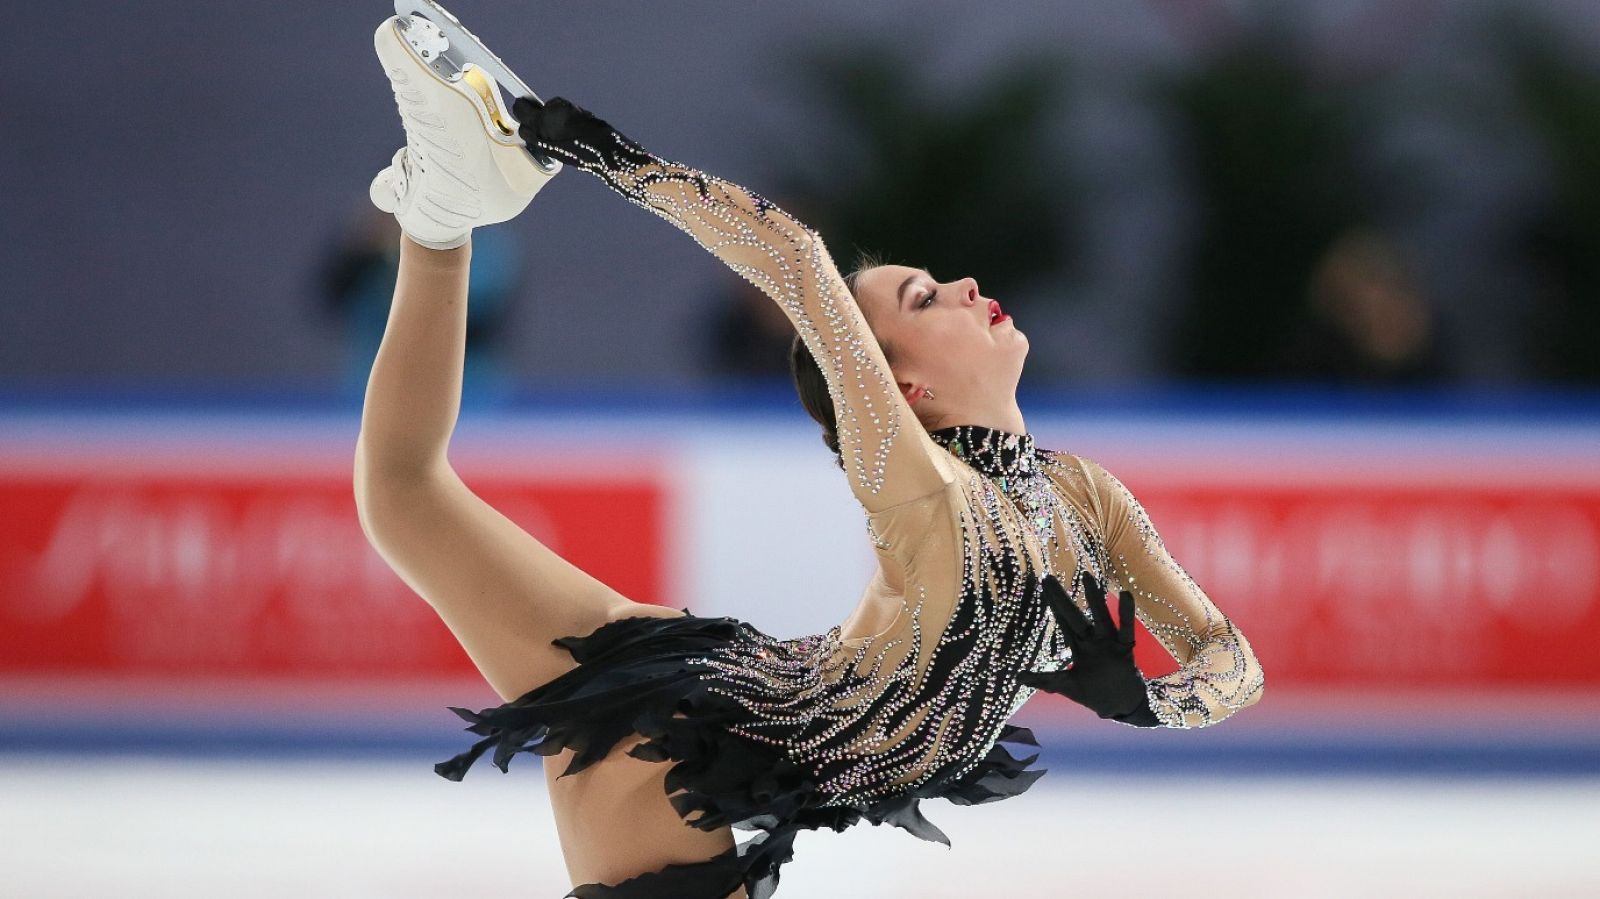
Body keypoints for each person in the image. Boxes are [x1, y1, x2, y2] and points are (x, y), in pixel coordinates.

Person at [354, 14, 1265, 899]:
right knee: (405, 497)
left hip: (706, 676)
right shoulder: (920, 487)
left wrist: (1152, 702)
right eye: (925, 297)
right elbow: (795, 260)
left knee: (404, 497)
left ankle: (441, 219)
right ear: (899, 390)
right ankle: (443, 217)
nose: (965, 286)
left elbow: (1233, 660)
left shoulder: (1083, 495)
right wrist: (596, 151)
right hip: (669, 750)